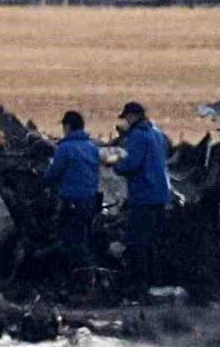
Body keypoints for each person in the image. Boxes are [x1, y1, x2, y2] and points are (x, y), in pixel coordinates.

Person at [111, 101, 171, 289]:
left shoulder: (137, 136)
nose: (127, 121)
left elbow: (131, 164)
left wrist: (115, 165)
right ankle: (156, 283)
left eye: (127, 117)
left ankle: (141, 284)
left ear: (133, 116)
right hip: (161, 195)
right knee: (152, 242)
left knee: (137, 241)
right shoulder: (157, 133)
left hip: (144, 195)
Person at [43, 110, 100, 280]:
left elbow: (52, 174)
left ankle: (83, 281)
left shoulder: (65, 148)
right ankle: (92, 277)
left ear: (67, 126)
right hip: (91, 201)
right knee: (86, 239)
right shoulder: (92, 147)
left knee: (72, 243)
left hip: (72, 202)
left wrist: (43, 182)